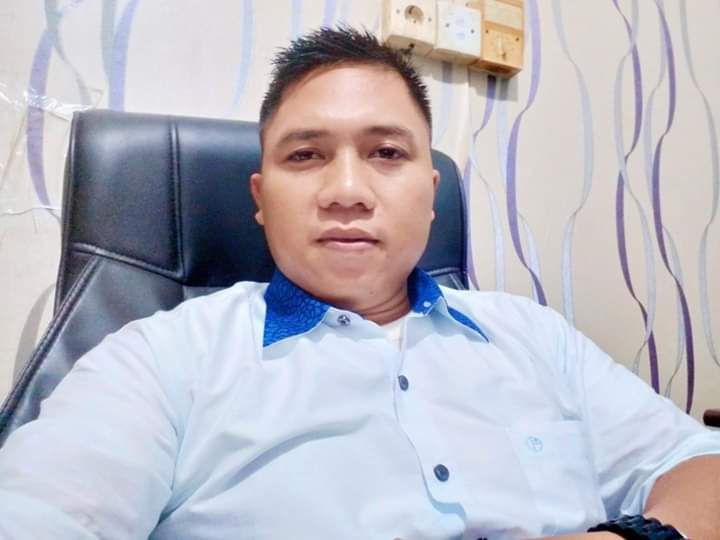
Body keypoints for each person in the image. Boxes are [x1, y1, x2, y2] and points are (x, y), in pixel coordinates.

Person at [0, 26, 718, 540]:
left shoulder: (534, 335)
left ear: (431, 193)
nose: (347, 190)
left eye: (386, 153)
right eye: (306, 155)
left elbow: (699, 463)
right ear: (260, 198)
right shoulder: (159, 360)